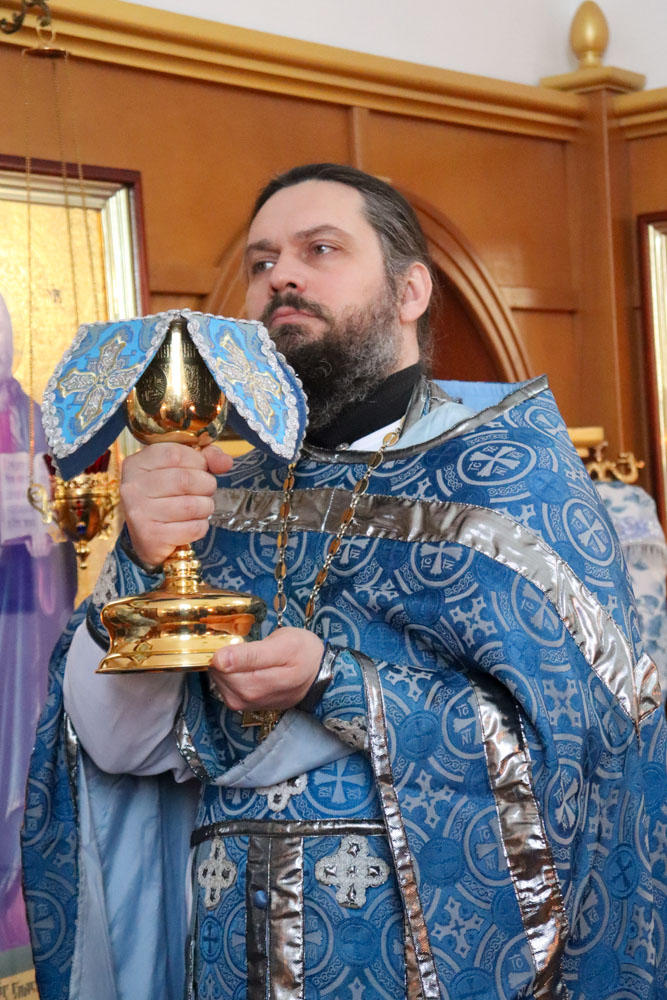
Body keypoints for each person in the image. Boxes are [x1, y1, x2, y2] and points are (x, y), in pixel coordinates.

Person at [23, 164, 667, 1000]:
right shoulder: (213, 491)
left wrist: (333, 683)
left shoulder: (506, 477)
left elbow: (590, 746)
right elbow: (117, 751)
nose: (281, 277)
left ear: (410, 291)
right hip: (227, 955)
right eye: (261, 261)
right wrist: (145, 563)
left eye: (319, 250)